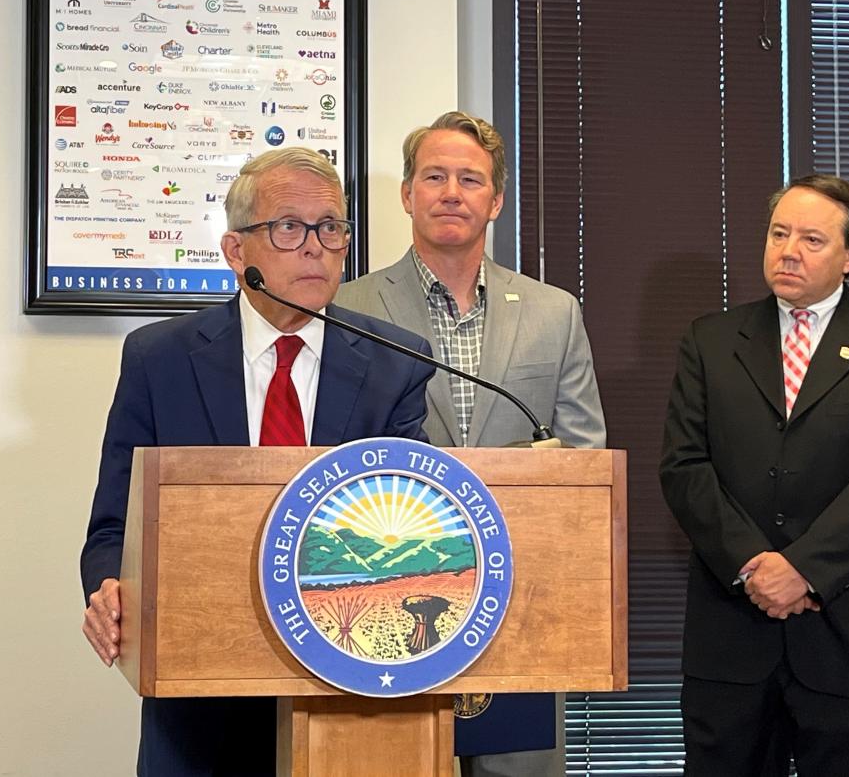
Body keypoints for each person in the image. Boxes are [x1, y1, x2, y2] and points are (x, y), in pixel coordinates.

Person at [80, 146, 436, 777]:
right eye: (288, 227)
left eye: (331, 227)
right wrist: (108, 588)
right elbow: (113, 527)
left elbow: (417, 528)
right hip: (199, 700)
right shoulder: (159, 359)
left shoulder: (394, 363)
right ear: (236, 252)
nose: (315, 247)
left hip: (349, 695)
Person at [337, 111, 606, 777]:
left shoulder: (554, 312)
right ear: (407, 194)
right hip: (390, 593)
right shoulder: (348, 306)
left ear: (496, 199)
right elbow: (332, 454)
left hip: (517, 595)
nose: (451, 192)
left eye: (470, 179)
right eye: (434, 176)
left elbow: (581, 457)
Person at [659, 174, 849, 776]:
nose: (788, 250)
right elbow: (684, 467)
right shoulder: (710, 341)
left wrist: (804, 569)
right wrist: (755, 565)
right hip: (731, 638)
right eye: (778, 233)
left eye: (812, 239)